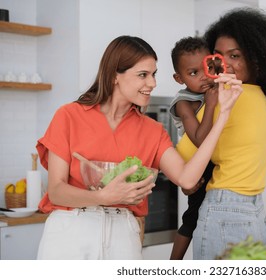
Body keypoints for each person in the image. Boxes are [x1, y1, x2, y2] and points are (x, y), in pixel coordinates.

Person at [35, 35, 242, 260]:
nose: (152, 83)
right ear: (115, 75)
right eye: (143, 75)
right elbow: (56, 190)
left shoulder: (152, 130)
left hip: (123, 236)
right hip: (70, 233)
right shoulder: (69, 116)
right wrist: (104, 196)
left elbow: (187, 178)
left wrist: (224, 115)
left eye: (153, 74)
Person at [174, 8, 266, 259]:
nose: (225, 64)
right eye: (218, 56)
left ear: (257, 59)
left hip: (224, 210)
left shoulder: (228, 99)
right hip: (254, 211)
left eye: (235, 55)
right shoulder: (262, 97)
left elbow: (183, 155)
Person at [168, 36, 266, 259]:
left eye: (208, 67)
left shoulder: (221, 87)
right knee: (190, 218)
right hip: (199, 163)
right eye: (193, 73)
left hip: (215, 168)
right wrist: (211, 105)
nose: (204, 77)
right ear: (178, 78)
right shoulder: (184, 103)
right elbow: (201, 140)